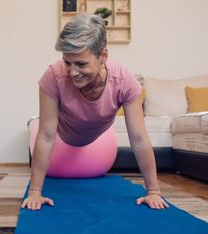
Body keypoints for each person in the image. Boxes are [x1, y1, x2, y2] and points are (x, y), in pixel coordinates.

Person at [21, 14, 169, 211]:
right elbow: (47, 136)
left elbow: (139, 138)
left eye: (81, 64)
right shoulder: (53, 76)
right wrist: (35, 192)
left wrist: (153, 191)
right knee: (43, 129)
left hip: (98, 145)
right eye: (67, 62)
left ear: (103, 56)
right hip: (59, 143)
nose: (72, 72)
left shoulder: (124, 80)